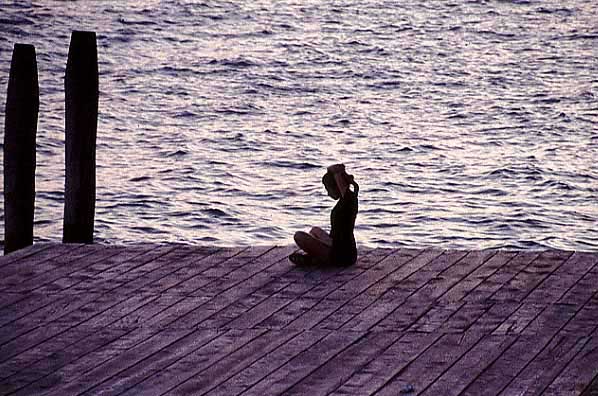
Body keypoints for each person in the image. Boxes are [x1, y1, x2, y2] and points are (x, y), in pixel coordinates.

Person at [290, 164, 359, 267]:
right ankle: (315, 258)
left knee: (299, 236)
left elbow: (335, 171)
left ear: (336, 187)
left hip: (341, 255)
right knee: (315, 230)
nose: (328, 194)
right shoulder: (349, 200)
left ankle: (315, 259)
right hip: (343, 249)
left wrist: (338, 173)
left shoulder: (348, 200)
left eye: (328, 190)